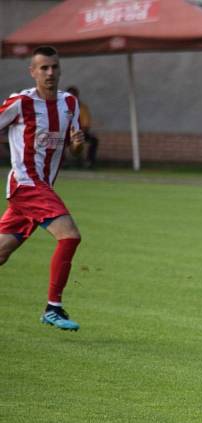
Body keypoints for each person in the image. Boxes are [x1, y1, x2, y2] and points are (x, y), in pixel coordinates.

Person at [0, 45, 85, 331]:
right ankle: (53, 308)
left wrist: (77, 145)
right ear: (33, 72)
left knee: (2, 252)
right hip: (26, 185)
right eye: (43, 68)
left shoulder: (69, 104)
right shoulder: (20, 102)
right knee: (70, 236)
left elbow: (75, 152)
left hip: (42, 187)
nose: (50, 73)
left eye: (54, 67)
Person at [65, 86, 99, 169]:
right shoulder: (61, 107)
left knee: (94, 140)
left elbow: (86, 125)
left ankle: (89, 162)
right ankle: (62, 162)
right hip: (65, 133)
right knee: (56, 139)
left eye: (74, 95)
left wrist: (77, 133)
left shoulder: (83, 108)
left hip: (79, 132)